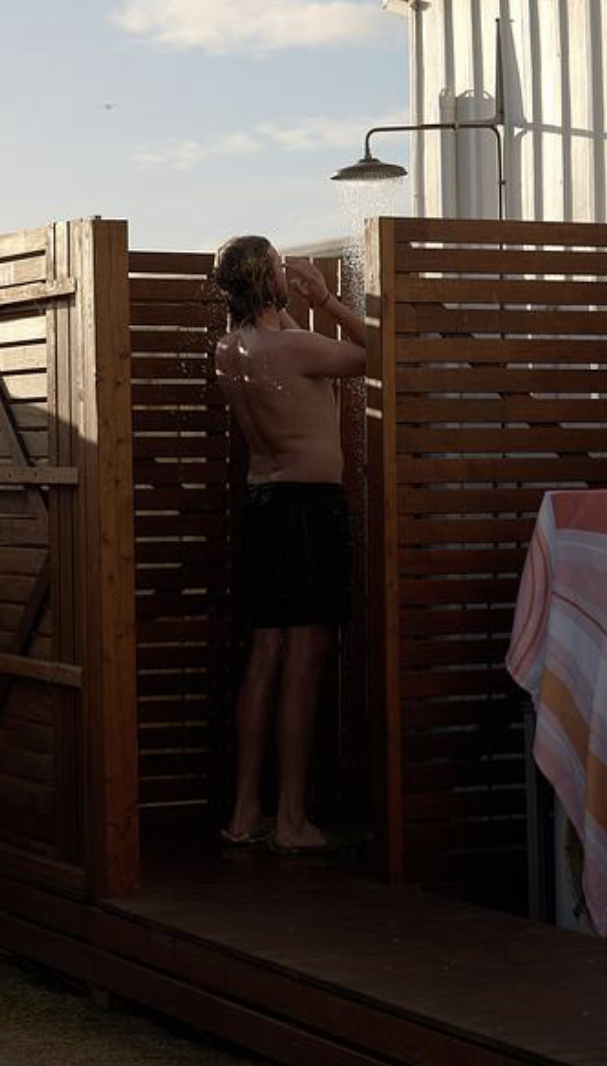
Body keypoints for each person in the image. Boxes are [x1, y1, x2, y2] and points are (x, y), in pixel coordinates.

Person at [212, 235, 366, 854]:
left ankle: (247, 813)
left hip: (264, 507)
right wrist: (327, 299)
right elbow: (379, 352)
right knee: (303, 662)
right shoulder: (294, 346)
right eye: (279, 264)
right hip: (308, 509)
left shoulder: (229, 349)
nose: (287, 269)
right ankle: (294, 821)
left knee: (266, 652)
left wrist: (291, 305)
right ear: (265, 278)